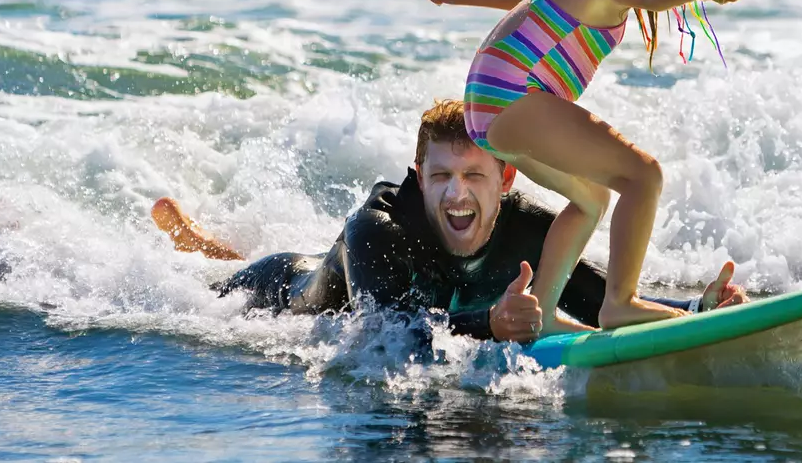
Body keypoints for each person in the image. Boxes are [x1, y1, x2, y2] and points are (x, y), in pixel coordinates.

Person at [388, 0, 740, 334]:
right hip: (514, 95)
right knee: (644, 176)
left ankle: (545, 312)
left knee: (591, 199)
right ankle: (620, 303)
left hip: (489, 106)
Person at [152, 99, 746, 343]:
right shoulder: (377, 227)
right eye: (440, 177)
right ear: (418, 171)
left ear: (506, 178)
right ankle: (196, 243)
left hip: (426, 302)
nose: (456, 195)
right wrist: (491, 322)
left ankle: (200, 239)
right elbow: (382, 332)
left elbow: (595, 299)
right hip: (285, 294)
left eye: (474, 176)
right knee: (209, 285)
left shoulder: (528, 229)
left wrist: (696, 310)